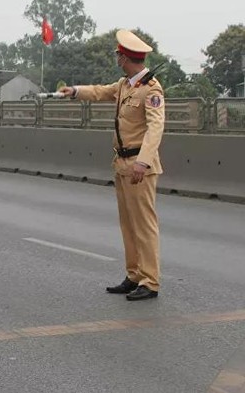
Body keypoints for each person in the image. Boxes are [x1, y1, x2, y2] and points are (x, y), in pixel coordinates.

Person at [58, 29, 165, 301]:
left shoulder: (151, 89)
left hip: (140, 166)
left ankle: (150, 281)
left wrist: (143, 161)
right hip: (122, 163)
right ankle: (134, 275)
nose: (117, 58)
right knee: (128, 225)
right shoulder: (125, 85)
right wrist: (74, 91)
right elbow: (99, 91)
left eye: (118, 54)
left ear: (125, 58)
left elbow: (156, 128)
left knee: (144, 225)